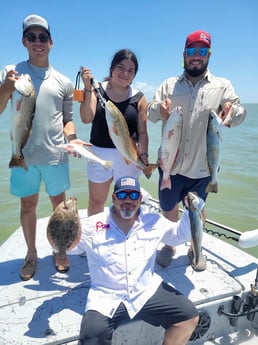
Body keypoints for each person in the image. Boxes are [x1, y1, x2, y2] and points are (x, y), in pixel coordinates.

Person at [147, 30, 246, 268]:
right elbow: (149, 111)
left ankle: (195, 247)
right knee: (168, 208)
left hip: (202, 168)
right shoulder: (169, 84)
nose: (196, 56)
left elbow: (240, 112)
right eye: (192, 51)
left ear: (209, 55)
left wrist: (232, 112)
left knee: (198, 210)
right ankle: (170, 245)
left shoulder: (223, 86)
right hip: (171, 164)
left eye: (202, 51)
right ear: (184, 55)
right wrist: (158, 109)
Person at [0, 14, 86, 280]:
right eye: (31, 37)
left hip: (56, 156)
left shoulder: (63, 82)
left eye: (42, 37)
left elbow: (68, 121)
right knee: (28, 205)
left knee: (60, 206)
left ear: (51, 42)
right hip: (23, 156)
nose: (38, 42)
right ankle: (31, 253)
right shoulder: (12, 73)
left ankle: (60, 251)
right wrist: (6, 85)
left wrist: (72, 140)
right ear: (24, 41)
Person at [77, 175, 200, 345]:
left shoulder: (153, 221)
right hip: (106, 296)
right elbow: (65, 246)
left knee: (188, 317)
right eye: (122, 195)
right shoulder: (94, 224)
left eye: (133, 195)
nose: (128, 200)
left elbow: (180, 235)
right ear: (113, 198)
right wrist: (61, 224)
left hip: (145, 291)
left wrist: (190, 210)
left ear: (140, 199)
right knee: (91, 336)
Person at [79, 49, 149, 217]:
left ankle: (124, 233)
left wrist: (144, 155)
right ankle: (95, 233)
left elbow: (143, 132)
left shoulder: (139, 97)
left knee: (127, 201)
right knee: (96, 201)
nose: (125, 73)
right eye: (121, 67)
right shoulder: (96, 90)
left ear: (134, 75)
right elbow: (86, 118)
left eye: (130, 71)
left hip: (129, 155)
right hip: (99, 154)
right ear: (111, 68)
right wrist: (87, 89)